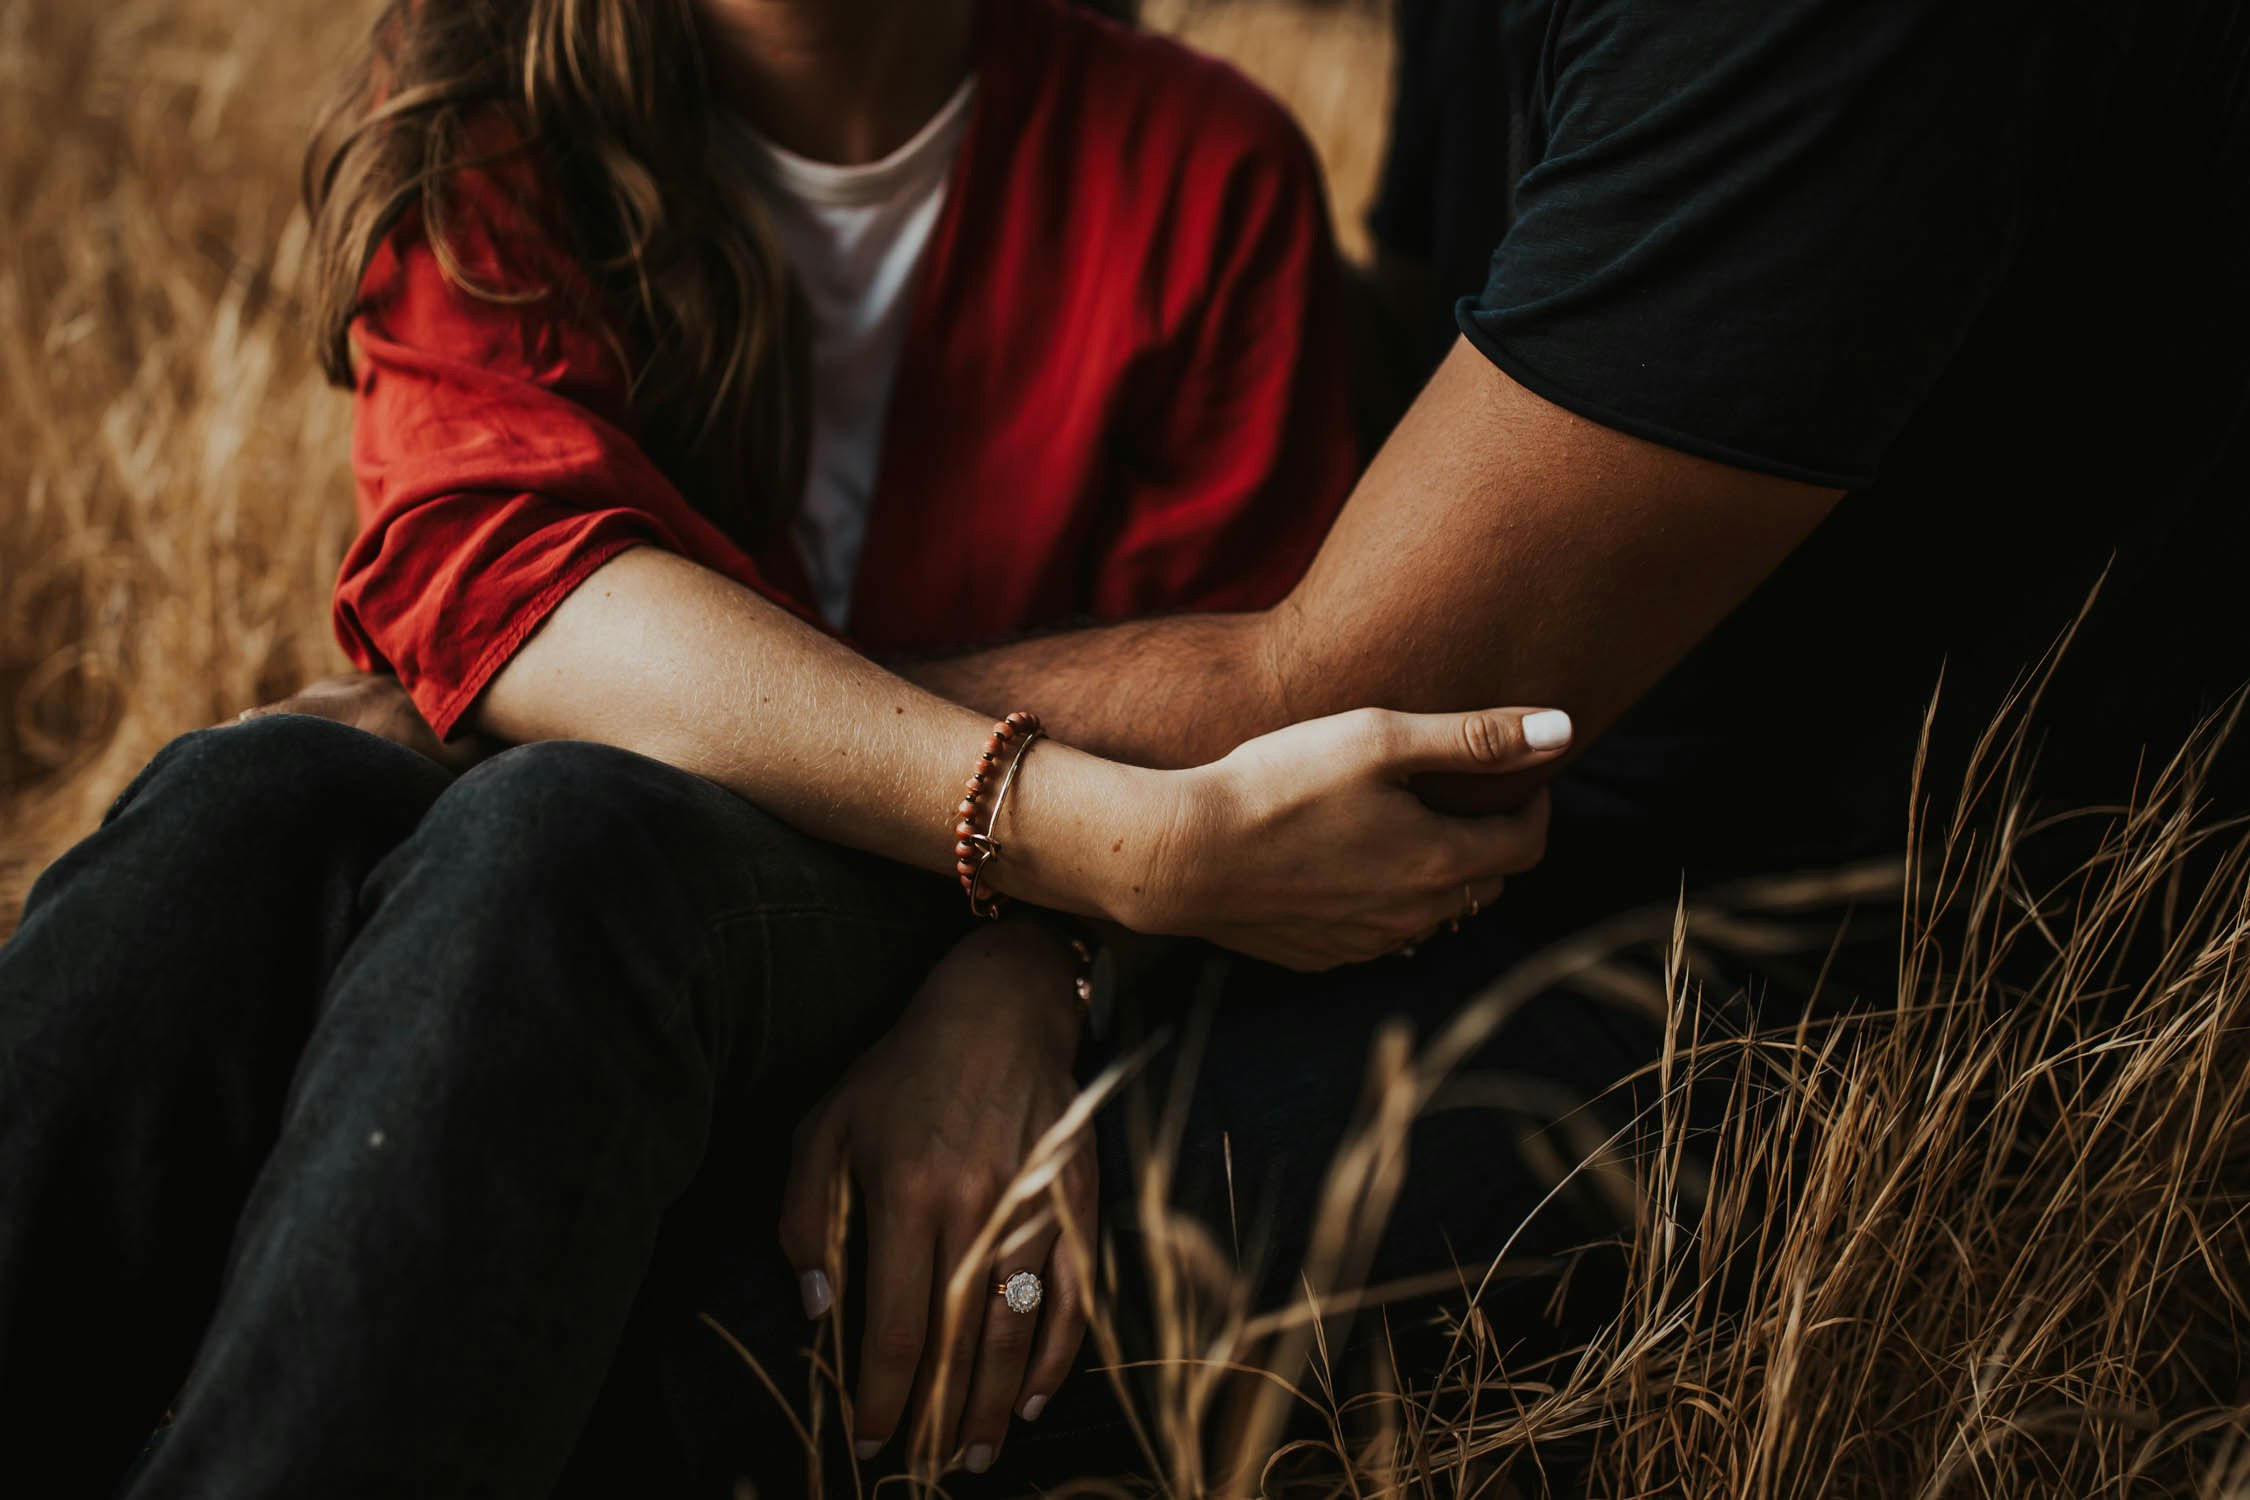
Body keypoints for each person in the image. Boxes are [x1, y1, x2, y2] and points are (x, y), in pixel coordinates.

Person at [263, 0, 2250, 1485]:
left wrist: (588, 656)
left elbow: (1358, 685)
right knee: (263, 829)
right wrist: (559, 658)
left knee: (798, 1327)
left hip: (1848, 925)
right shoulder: (509, 128)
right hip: (1440, 806)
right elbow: (1487, 329)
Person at [0, 0, 1572, 1495]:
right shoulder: (491, 99)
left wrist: (1032, 959)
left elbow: (1232, 722)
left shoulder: (1195, 162)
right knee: (244, 797)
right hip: (985, 839)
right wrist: (1107, 835)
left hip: (863, 912)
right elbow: (499, 563)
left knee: (554, 832)